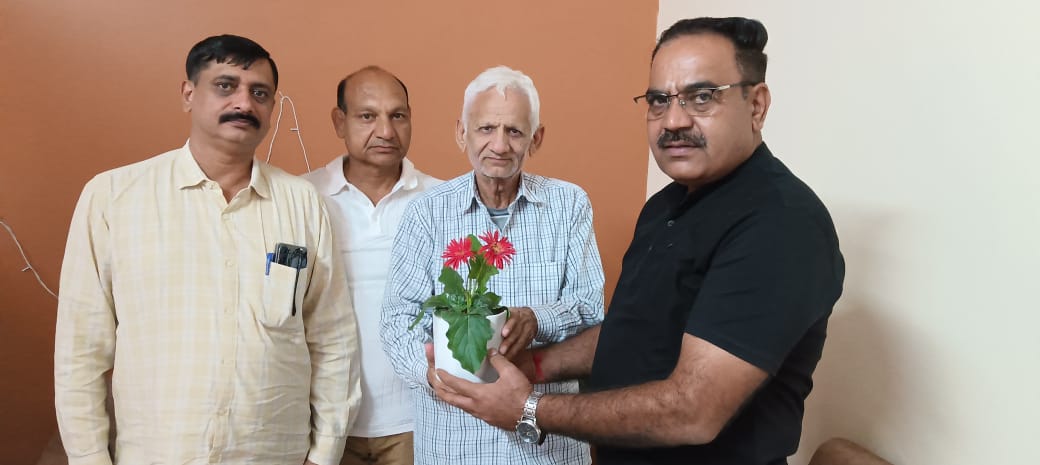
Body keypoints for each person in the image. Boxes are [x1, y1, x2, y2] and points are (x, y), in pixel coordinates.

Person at [429, 17, 846, 465]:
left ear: (757, 105)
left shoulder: (780, 222)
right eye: (659, 100)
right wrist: (537, 365)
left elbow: (693, 411)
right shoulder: (666, 206)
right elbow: (633, 331)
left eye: (702, 97)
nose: (674, 120)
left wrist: (528, 408)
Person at [54, 34, 360, 465]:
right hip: (156, 454)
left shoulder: (302, 203)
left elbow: (333, 340)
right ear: (188, 94)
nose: (244, 103)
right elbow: (80, 351)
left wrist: (324, 454)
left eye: (260, 93)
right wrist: (88, 458)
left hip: (274, 454)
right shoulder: (113, 198)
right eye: (225, 85)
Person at [380, 65, 605, 465]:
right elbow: (397, 320)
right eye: (486, 128)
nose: (499, 145)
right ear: (461, 133)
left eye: (514, 131)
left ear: (536, 138)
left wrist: (536, 319)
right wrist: (433, 375)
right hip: (455, 440)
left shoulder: (569, 205)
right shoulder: (426, 213)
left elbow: (591, 309)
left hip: (548, 446)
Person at [302, 66, 441, 465]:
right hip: (324, 422)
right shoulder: (304, 197)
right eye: (367, 116)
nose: (385, 130)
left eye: (398, 116)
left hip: (418, 418)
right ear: (339, 121)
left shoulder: (441, 200)